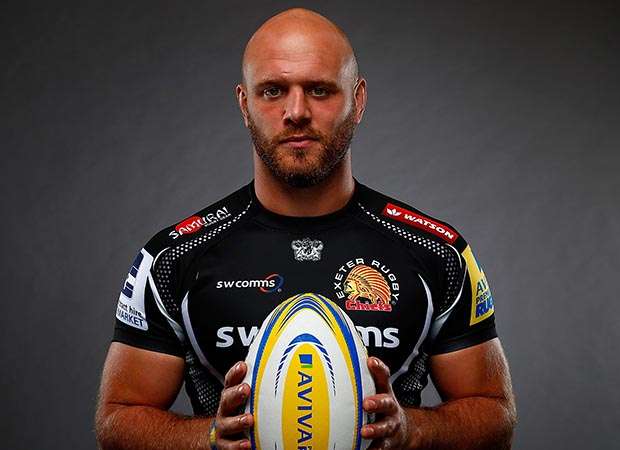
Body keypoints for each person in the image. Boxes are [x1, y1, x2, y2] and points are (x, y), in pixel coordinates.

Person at [95, 7, 516, 450]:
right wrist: (211, 437)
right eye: (273, 91)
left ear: (358, 100)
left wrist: (412, 430)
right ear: (245, 104)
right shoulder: (172, 259)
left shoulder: (437, 252)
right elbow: (118, 419)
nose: (296, 112)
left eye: (319, 90)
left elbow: (495, 416)